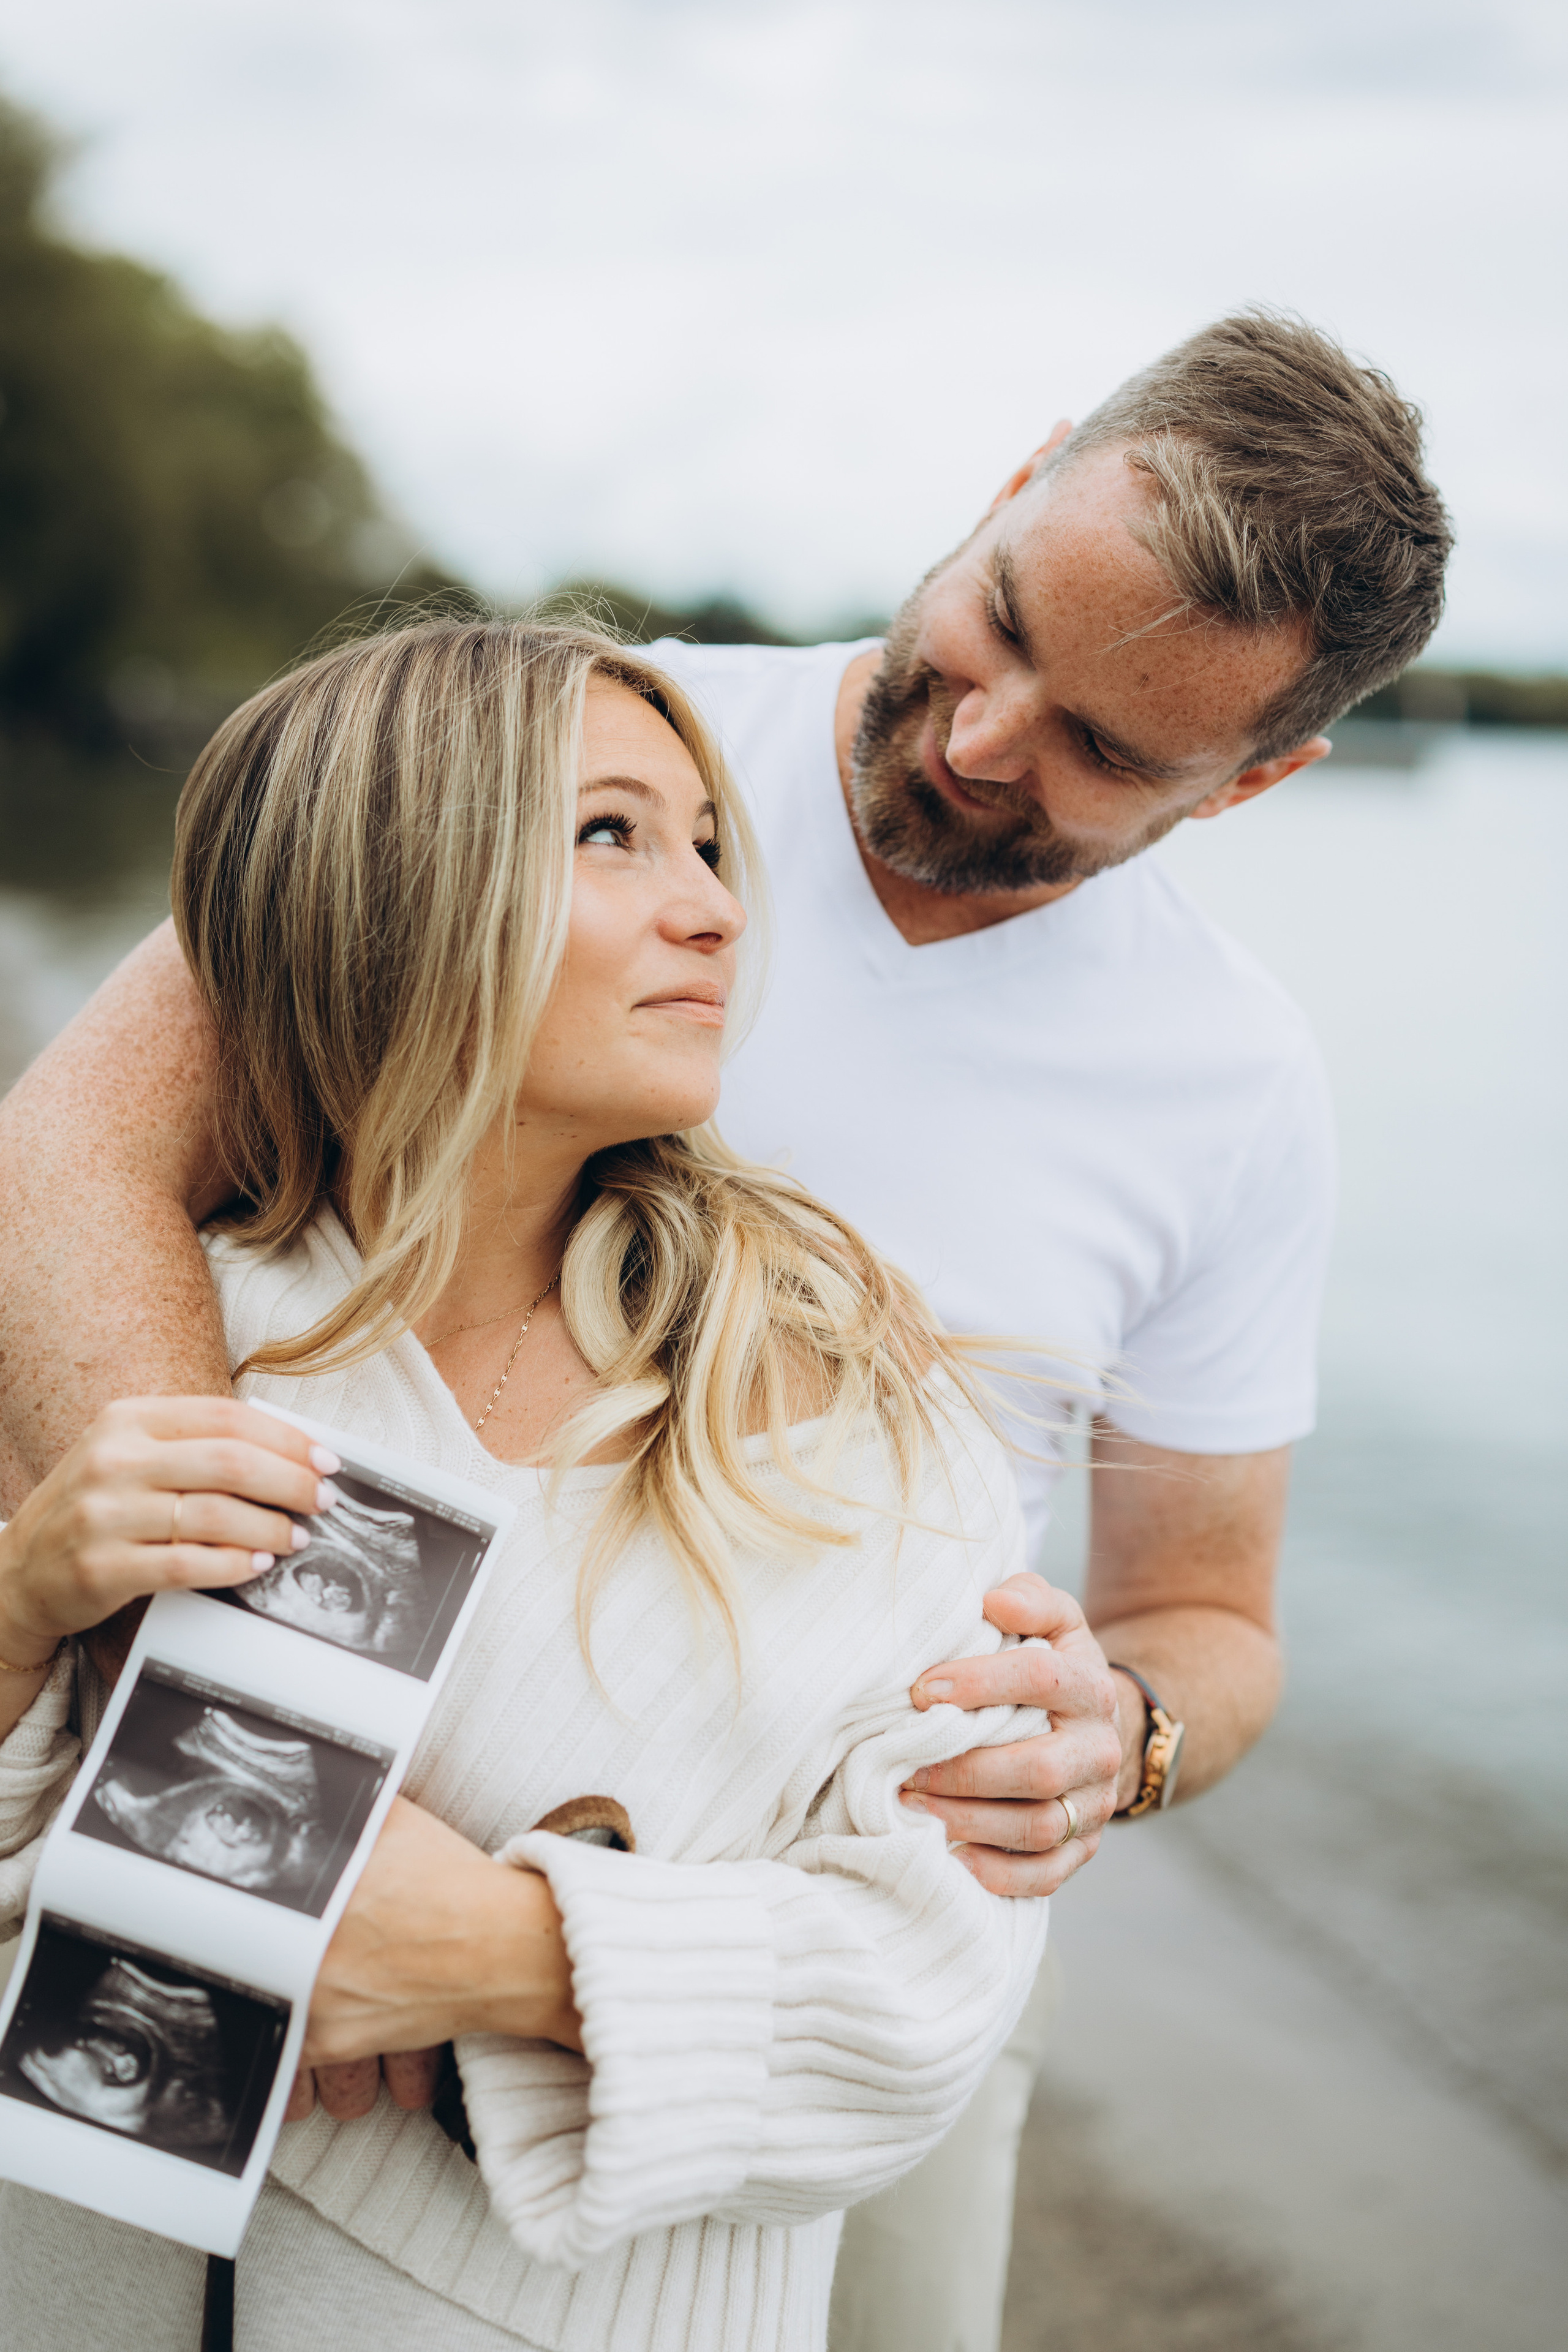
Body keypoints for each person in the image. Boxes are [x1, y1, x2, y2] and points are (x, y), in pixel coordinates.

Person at [0, 309, 1453, 2351]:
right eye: (1002, 620)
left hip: (797, 1906)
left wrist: (1122, 1740)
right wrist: (265, 1767)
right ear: (1017, 478)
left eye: (1106, 748)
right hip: (274, 1803)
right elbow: (71, 1151)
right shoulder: (575, 745)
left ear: (1265, 774)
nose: (977, 739)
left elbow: (1208, 1623)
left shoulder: (1234, 1084)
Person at [0, 617, 1060, 2351]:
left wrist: (516, 1953)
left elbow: (926, 2001)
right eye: (612, 835)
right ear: (391, 890)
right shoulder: (165, 1346)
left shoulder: (858, 1429)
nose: (716, 903)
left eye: (710, 843)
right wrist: (19, 1614)